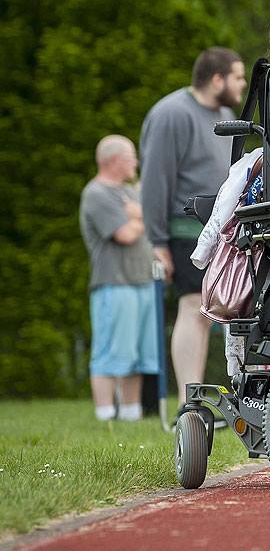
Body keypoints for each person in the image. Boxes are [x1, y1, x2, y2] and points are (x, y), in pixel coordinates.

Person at [140, 47, 247, 404]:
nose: (243, 84)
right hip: (185, 231)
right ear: (217, 79)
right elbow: (154, 180)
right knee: (193, 309)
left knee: (223, 312)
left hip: (223, 233)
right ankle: (190, 403)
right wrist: (157, 241)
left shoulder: (227, 115)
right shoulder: (171, 113)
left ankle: (218, 398)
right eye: (237, 76)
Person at [79, 135, 157, 421]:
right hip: (114, 284)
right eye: (130, 157)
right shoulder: (97, 193)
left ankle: (130, 413)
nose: (135, 162)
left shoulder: (129, 193)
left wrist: (137, 214)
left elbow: (147, 217)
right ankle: (104, 414)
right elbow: (125, 234)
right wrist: (140, 218)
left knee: (136, 353)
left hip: (142, 281)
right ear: (113, 160)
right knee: (111, 351)